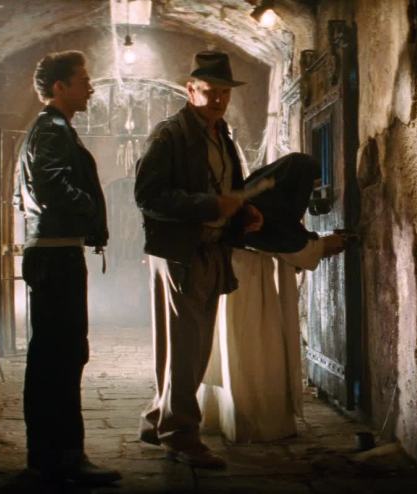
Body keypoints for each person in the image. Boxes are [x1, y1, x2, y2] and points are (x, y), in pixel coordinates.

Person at [134, 51, 263, 469]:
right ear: (191, 90)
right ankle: (180, 435)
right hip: (179, 253)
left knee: (192, 345)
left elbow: (227, 189)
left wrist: (244, 212)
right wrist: (208, 205)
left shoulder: (221, 134)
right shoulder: (170, 134)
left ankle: (158, 419)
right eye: (210, 91)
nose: (219, 99)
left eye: (225, 92)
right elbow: (148, 196)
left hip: (210, 250)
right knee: (185, 347)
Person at [14, 50, 121, 484]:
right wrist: (89, 209)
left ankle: (56, 458)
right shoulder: (52, 129)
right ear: (59, 87)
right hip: (56, 256)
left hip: (56, 252)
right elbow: (50, 185)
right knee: (60, 358)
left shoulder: (53, 128)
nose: (90, 88)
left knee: (58, 357)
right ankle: (60, 460)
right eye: (83, 80)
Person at [197, 155, 347, 443]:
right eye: (309, 186)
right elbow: (291, 244)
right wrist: (326, 244)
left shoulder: (260, 200)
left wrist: (315, 244)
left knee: (236, 349)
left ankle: (226, 417)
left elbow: (290, 237)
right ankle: (256, 422)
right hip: (249, 281)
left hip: (236, 276)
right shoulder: (264, 210)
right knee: (255, 349)